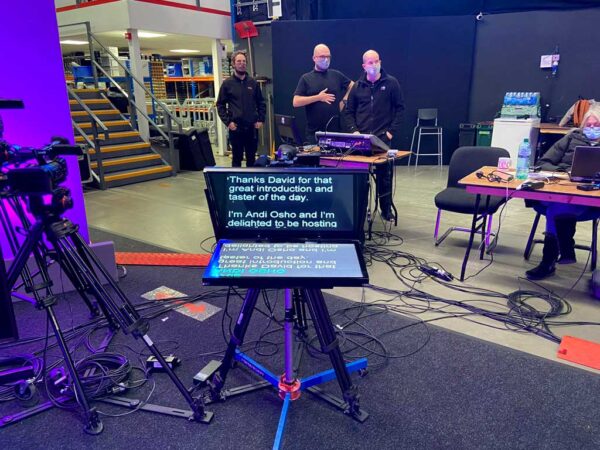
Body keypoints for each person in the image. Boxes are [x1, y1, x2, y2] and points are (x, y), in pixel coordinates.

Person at [526, 107, 600, 280]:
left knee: (556, 208)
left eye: (596, 125)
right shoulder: (572, 137)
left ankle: (548, 261)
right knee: (559, 204)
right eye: (588, 125)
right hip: (562, 187)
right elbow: (543, 162)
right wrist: (564, 172)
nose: (591, 128)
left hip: (588, 198)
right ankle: (564, 248)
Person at [343, 49, 405, 221]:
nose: (374, 65)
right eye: (370, 62)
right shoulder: (357, 87)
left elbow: (400, 109)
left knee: (385, 177)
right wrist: (354, 131)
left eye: (377, 61)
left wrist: (391, 132)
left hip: (382, 139)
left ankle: (386, 210)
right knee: (360, 177)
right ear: (364, 66)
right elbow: (349, 112)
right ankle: (360, 209)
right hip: (361, 140)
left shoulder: (391, 83)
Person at [293, 44, 353, 144]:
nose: (326, 59)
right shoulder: (306, 78)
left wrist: (344, 100)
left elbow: (352, 85)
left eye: (328, 56)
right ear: (314, 58)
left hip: (335, 132)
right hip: (314, 134)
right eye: (322, 56)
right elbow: (296, 102)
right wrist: (318, 97)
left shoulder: (336, 75)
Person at [216, 51, 266, 167]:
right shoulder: (227, 84)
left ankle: (251, 179)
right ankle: (236, 179)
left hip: (251, 128)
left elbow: (261, 102)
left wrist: (261, 119)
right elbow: (220, 105)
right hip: (236, 128)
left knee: (251, 159)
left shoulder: (253, 83)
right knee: (236, 159)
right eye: (239, 61)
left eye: (244, 61)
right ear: (233, 64)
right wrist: (228, 122)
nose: (242, 64)